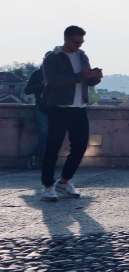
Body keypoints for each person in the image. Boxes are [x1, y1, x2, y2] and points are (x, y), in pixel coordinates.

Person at [39, 25, 102, 201]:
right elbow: (51, 81)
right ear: (66, 39)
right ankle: (48, 186)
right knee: (53, 147)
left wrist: (94, 77)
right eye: (76, 42)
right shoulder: (53, 57)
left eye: (81, 42)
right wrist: (80, 76)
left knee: (81, 147)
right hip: (59, 108)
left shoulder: (82, 56)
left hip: (79, 108)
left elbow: (86, 81)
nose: (79, 45)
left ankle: (64, 181)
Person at [23, 66, 49, 170]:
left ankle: (40, 159)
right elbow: (27, 90)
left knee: (51, 135)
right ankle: (39, 158)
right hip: (42, 108)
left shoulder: (59, 72)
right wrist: (41, 86)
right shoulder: (37, 74)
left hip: (56, 109)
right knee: (44, 134)